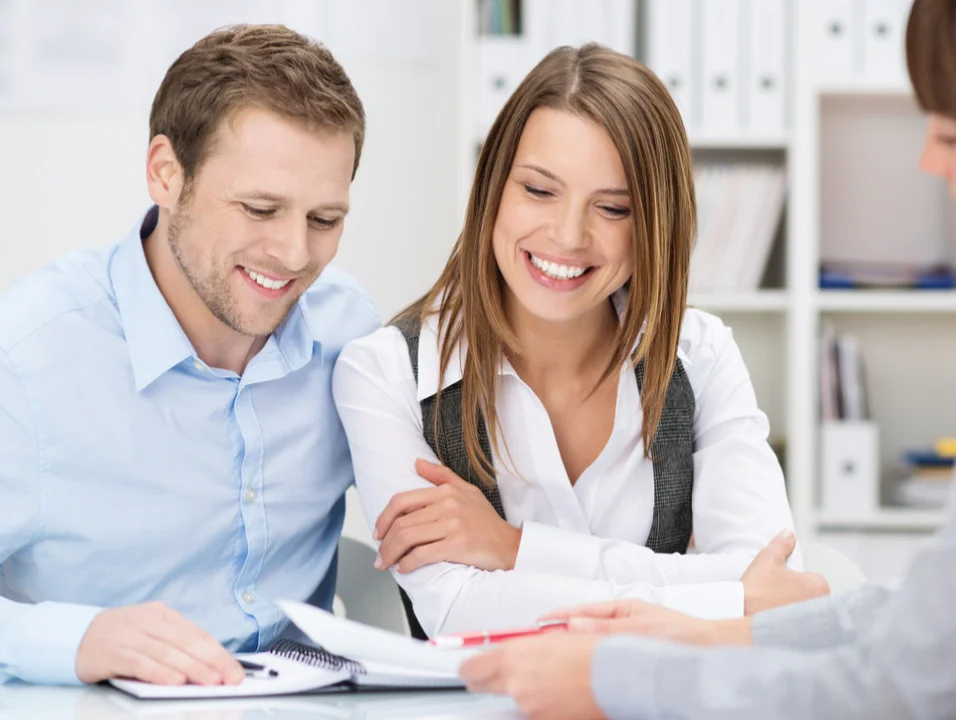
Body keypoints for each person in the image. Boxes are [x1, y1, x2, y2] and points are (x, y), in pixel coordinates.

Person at [458, 0, 956, 717]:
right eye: (538, 188)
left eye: (949, 126)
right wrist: (728, 632)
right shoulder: (391, 366)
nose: (929, 159)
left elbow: (917, 682)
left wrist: (621, 679)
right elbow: (951, 615)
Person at [332, 44, 825, 640]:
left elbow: (779, 582)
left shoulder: (699, 355)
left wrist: (517, 550)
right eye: (539, 191)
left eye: (613, 208)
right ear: (494, 191)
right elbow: (456, 610)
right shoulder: (384, 372)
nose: (568, 235)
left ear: (654, 226)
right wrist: (725, 600)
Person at [0, 25, 379, 687]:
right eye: (260, 209)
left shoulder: (349, 331)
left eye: (324, 220)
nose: (294, 254)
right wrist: (77, 638)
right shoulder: (28, 362)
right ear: (166, 174)